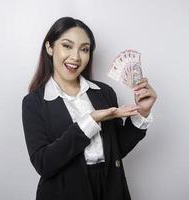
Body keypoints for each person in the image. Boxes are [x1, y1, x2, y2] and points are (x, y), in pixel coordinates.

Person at [22, 16, 157, 200]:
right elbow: (44, 164)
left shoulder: (104, 92)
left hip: (111, 188)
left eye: (84, 49)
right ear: (50, 48)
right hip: (64, 193)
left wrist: (142, 112)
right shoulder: (34, 102)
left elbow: (118, 148)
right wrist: (91, 120)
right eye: (67, 46)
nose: (76, 57)